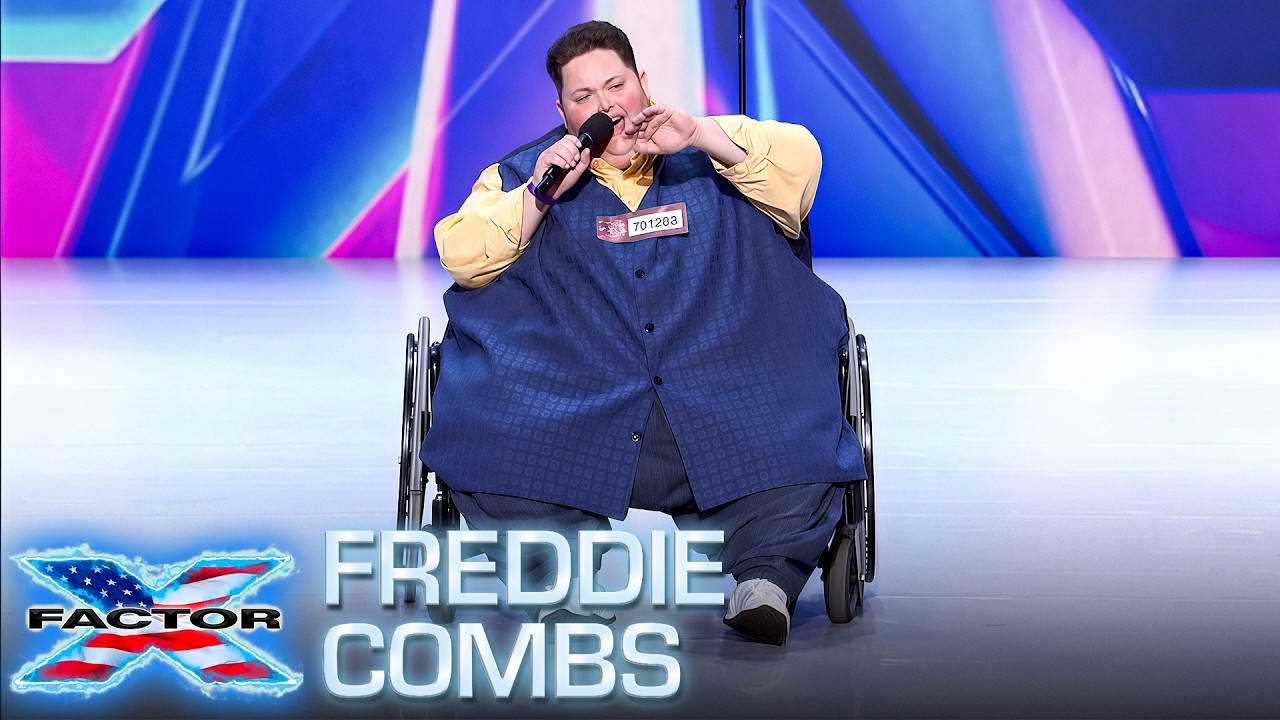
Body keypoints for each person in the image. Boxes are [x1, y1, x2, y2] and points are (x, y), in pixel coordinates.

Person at [420, 20, 865, 645]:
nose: (605, 106)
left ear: (642, 83)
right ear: (563, 112)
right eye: (583, 96)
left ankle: (764, 579)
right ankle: (557, 588)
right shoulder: (523, 174)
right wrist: (539, 196)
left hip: (719, 381)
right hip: (576, 392)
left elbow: (802, 164)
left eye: (616, 85)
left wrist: (702, 136)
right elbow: (462, 252)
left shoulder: (709, 144)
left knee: (788, 418)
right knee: (496, 433)